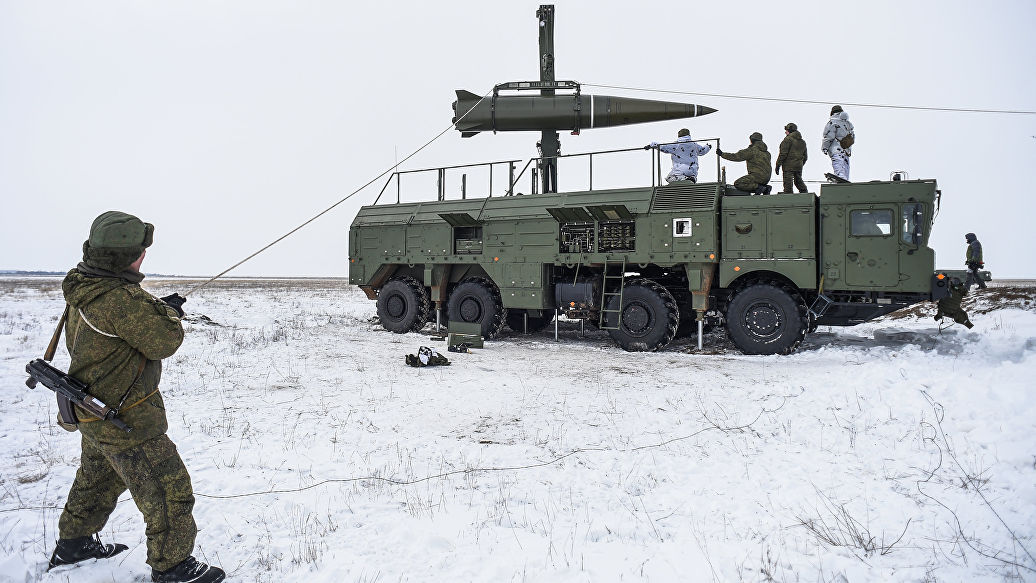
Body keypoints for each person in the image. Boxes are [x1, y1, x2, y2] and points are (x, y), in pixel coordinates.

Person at [49, 211, 225, 583]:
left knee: (97, 479)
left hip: (91, 410)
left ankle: (74, 545)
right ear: (130, 256)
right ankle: (173, 567)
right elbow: (164, 341)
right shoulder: (120, 299)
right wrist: (169, 317)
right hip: (124, 418)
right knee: (168, 490)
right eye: (141, 248)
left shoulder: (85, 284)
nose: (144, 254)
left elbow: (124, 324)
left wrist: (158, 309)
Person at [647, 128, 712, 183]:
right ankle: (692, 178)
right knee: (691, 176)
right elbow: (702, 151)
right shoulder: (694, 145)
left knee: (669, 178)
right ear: (689, 135)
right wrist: (708, 146)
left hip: (681, 170)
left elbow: (663, 147)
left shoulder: (676, 145)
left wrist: (651, 145)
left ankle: (684, 179)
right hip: (693, 170)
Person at [822, 105, 854, 181]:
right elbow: (852, 138)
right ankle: (845, 179)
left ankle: (840, 177)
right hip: (846, 150)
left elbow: (828, 136)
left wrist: (824, 148)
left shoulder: (832, 122)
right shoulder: (848, 124)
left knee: (838, 163)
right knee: (845, 166)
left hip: (836, 148)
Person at [775, 122, 808, 193]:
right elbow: (805, 157)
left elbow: (783, 154)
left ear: (789, 130)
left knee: (788, 183)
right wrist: (800, 164)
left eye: (786, 130)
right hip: (798, 166)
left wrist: (778, 165)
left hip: (788, 166)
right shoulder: (802, 142)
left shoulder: (787, 140)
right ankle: (805, 193)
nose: (785, 132)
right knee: (798, 181)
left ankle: (788, 197)